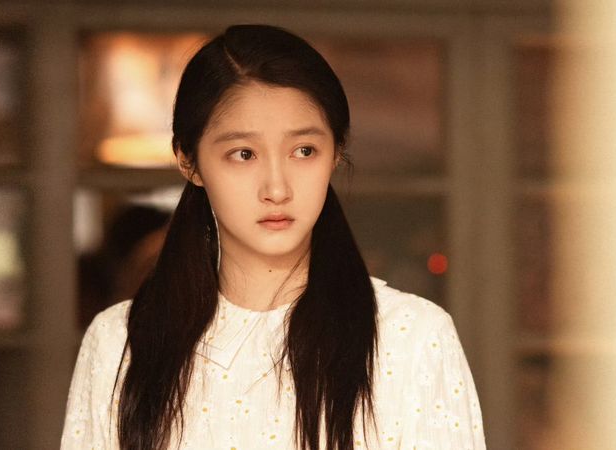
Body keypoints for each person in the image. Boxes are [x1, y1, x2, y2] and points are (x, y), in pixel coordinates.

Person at [60, 24, 486, 450]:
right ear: (189, 162)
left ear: (336, 153)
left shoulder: (412, 338)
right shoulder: (119, 343)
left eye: (304, 151)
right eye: (244, 154)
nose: (277, 188)